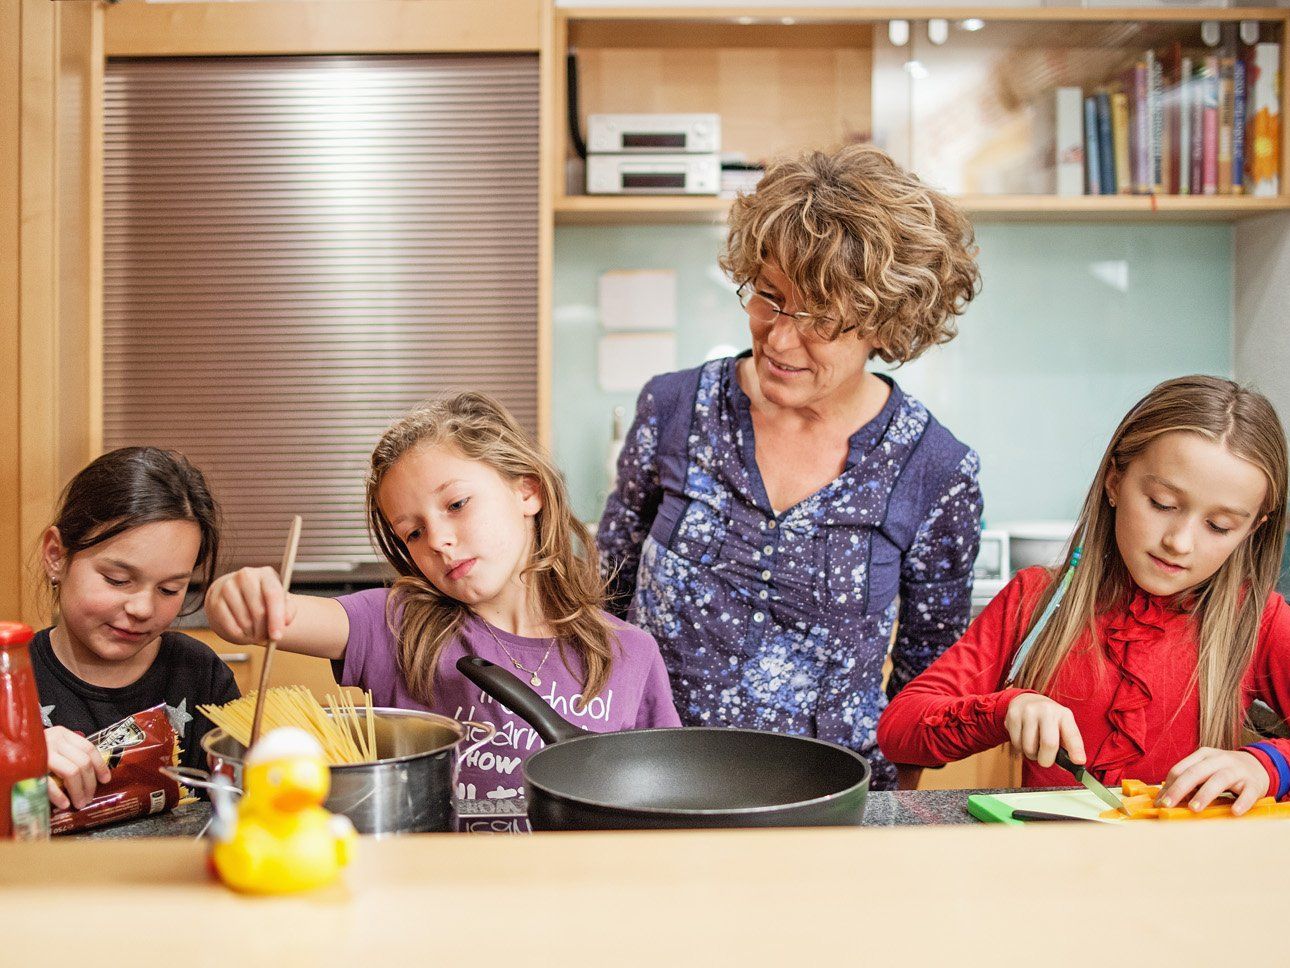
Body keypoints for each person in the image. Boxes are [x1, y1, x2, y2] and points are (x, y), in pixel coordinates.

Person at [596, 143, 983, 788]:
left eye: (820, 318)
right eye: (769, 298)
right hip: (654, 781)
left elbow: (925, 688)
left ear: (887, 324)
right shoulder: (671, 408)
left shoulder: (935, 471)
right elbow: (607, 592)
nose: (778, 337)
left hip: (829, 803)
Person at [206, 392, 680, 802]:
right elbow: (282, 616)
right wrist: (237, 597)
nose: (437, 540)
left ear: (526, 491)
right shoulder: (397, 625)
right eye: (412, 533)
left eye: (456, 505)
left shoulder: (629, 652)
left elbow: (665, 797)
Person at [878, 376, 1290, 815]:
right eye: (1163, 503)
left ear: (1253, 528)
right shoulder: (1035, 599)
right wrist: (1004, 709)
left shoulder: (1259, 620)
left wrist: (1266, 765)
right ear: (1115, 480)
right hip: (1053, 870)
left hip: (1190, 876)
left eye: (1220, 526)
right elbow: (899, 729)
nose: (1180, 542)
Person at [34, 446, 237, 810]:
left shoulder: (200, 676)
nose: (143, 609)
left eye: (169, 589)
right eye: (117, 580)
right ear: (56, 556)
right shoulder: (11, 680)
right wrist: (15, 759)